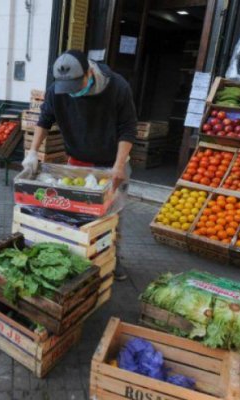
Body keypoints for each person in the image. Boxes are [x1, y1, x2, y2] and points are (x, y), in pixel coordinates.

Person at [22, 49, 138, 281]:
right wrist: (33, 151)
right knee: (75, 215)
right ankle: (82, 257)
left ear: (89, 72)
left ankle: (112, 259)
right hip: (77, 162)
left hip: (110, 164)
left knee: (111, 217)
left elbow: (128, 129)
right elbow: (45, 119)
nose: (72, 92)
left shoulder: (117, 87)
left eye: (76, 85)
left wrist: (118, 166)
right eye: (67, 88)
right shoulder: (58, 91)